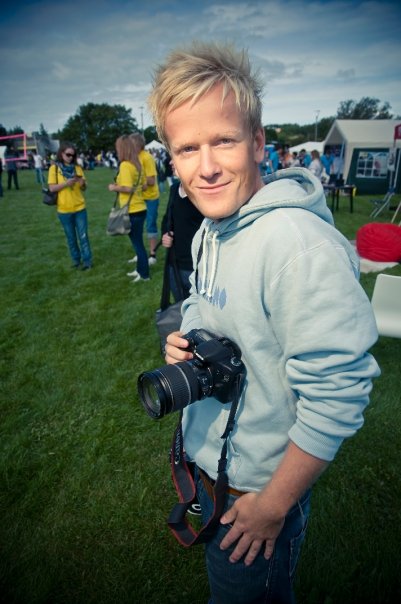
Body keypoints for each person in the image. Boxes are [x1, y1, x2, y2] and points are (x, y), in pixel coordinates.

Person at [147, 41, 380, 604]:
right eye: (187, 148)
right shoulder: (210, 229)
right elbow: (202, 302)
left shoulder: (297, 247)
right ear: (172, 161)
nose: (205, 167)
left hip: (258, 491)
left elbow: (338, 394)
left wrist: (273, 506)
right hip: (217, 470)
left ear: (257, 144)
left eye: (223, 141)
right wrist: (189, 336)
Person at [108, 135, 149, 283]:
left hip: (132, 210)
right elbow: (144, 186)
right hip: (140, 207)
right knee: (137, 242)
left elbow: (127, 188)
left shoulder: (125, 165)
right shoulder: (137, 165)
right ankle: (140, 270)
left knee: (138, 244)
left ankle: (144, 274)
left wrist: (114, 187)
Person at [48, 142, 93, 270]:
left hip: (80, 208)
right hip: (64, 209)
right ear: (61, 154)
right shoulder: (54, 169)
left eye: (73, 155)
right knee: (71, 238)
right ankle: (76, 260)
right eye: (68, 155)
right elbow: (52, 188)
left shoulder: (77, 168)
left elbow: (84, 188)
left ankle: (87, 261)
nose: (71, 158)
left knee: (83, 236)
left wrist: (82, 183)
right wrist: (66, 184)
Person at [161, 177, 204, 301]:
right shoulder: (174, 188)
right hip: (174, 263)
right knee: (181, 308)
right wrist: (165, 234)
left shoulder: (203, 190)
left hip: (197, 266)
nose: (171, 162)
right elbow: (167, 219)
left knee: (201, 313)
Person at [130, 133, 160, 265]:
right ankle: (140, 253)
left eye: (131, 144)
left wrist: (136, 181)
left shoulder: (147, 158)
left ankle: (152, 255)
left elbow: (152, 180)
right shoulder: (133, 158)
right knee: (137, 227)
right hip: (139, 199)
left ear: (138, 144)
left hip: (151, 198)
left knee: (150, 225)